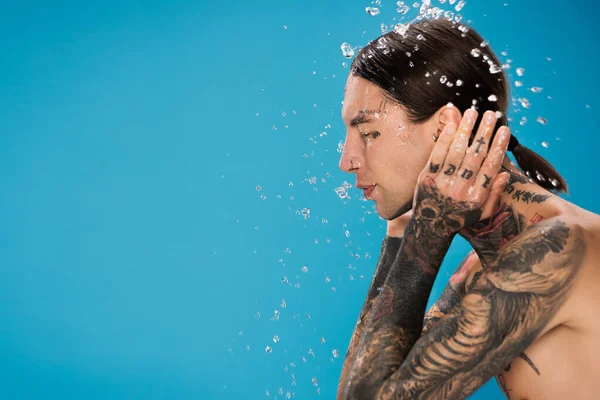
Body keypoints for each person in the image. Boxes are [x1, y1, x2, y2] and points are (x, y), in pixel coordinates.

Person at [336, 19, 600, 400]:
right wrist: (403, 231)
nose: (347, 161)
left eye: (369, 133)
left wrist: (427, 232)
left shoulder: (555, 254)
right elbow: (361, 387)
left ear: (446, 129)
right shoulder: (491, 266)